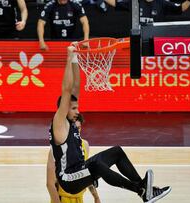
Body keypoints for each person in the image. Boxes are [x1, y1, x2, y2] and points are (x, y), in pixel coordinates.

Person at [49, 45, 172, 202]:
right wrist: (68, 57)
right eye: (73, 108)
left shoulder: (72, 122)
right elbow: (67, 90)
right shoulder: (60, 123)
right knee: (97, 165)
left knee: (116, 152)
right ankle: (139, 191)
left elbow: (76, 87)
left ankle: (143, 187)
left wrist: (75, 57)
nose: (77, 111)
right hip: (68, 179)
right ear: (63, 109)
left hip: (79, 170)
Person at [47, 114, 101, 203]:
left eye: (78, 128)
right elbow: (50, 184)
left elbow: (85, 173)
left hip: (79, 198)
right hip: (62, 198)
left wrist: (96, 197)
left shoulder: (85, 145)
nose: (76, 132)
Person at [101, 0, 190, 25]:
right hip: (138, 40)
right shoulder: (135, 2)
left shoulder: (162, 3)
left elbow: (181, 8)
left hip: (155, 40)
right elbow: (116, 3)